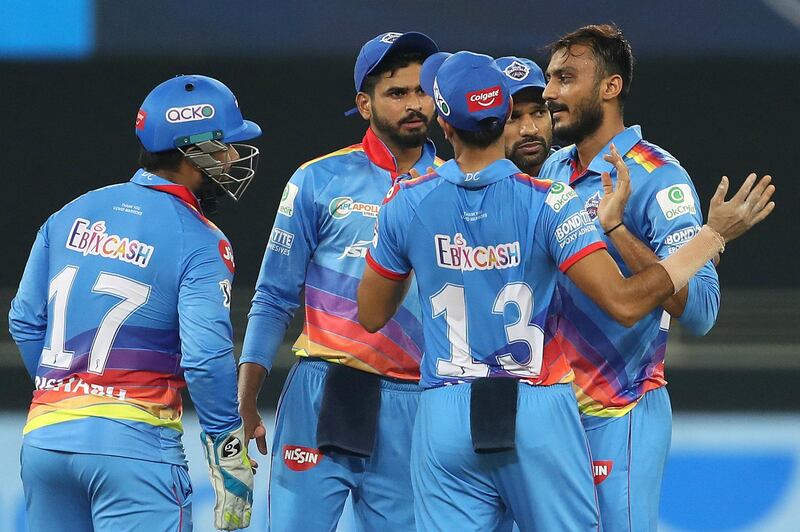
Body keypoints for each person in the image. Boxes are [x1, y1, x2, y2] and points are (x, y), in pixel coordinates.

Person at [357, 50, 735, 532]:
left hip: (445, 409)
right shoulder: (550, 201)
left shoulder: (407, 200)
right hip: (537, 404)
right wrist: (707, 240)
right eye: (521, 113)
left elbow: (370, 314)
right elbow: (622, 301)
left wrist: (437, 255)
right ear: (503, 123)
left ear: (445, 128)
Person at [538, 24, 775, 530]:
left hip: (619, 409)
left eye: (565, 78)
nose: (549, 93)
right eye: (549, 79)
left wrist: (618, 230)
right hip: (552, 412)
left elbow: (702, 311)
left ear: (610, 87)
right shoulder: (552, 170)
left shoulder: (658, 177)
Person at [8, 75, 262, 531]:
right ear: (193, 151)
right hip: (135, 452)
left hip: (46, 442)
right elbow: (205, 359)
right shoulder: (201, 241)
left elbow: (26, 322)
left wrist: (72, 395)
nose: (233, 158)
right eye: (225, 146)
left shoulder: (70, 212)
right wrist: (229, 452)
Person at [237, 31, 442, 531]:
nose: (413, 104)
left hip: (419, 399)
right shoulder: (317, 180)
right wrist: (242, 403)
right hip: (322, 392)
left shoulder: (458, 185)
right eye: (397, 93)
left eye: (422, 91)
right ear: (364, 104)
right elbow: (272, 297)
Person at [494, 56, 554, 177]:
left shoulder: (591, 176)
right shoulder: (469, 190)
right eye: (512, 117)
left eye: (539, 113)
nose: (530, 130)